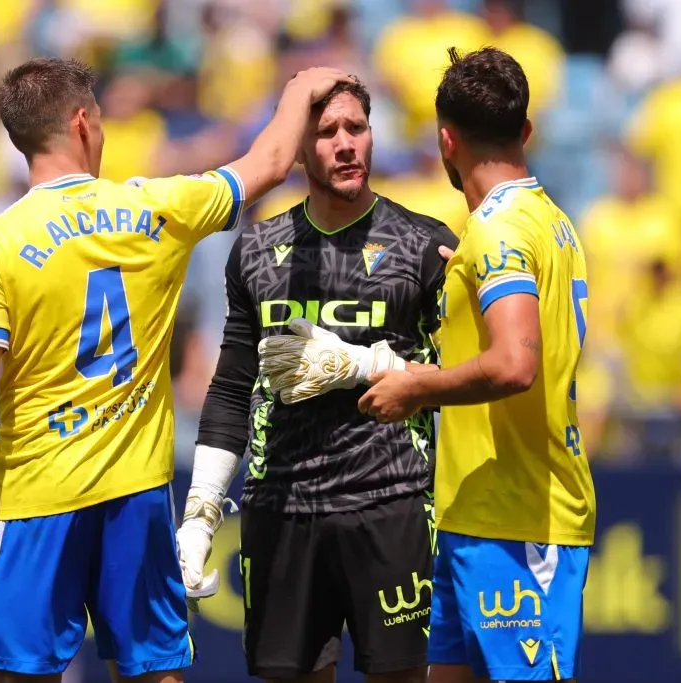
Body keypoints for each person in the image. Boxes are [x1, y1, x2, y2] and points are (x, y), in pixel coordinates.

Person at [0, 57, 351, 683]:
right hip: (135, 492)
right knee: (154, 673)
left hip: (34, 498)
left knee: (23, 673)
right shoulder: (156, 207)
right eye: (99, 122)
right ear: (81, 123)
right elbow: (267, 163)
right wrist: (301, 88)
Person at [260, 48, 597, 682]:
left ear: (445, 140)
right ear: (525, 131)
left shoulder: (499, 232)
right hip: (469, 513)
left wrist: (416, 389)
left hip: (520, 519)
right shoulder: (542, 222)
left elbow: (514, 363)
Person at [175, 78, 458, 683]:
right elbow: (230, 387)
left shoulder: (425, 244)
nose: (345, 145)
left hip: (391, 502)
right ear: (298, 148)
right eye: (326, 133)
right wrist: (201, 514)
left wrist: (367, 365)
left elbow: (466, 377)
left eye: (355, 128)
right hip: (281, 507)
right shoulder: (253, 249)